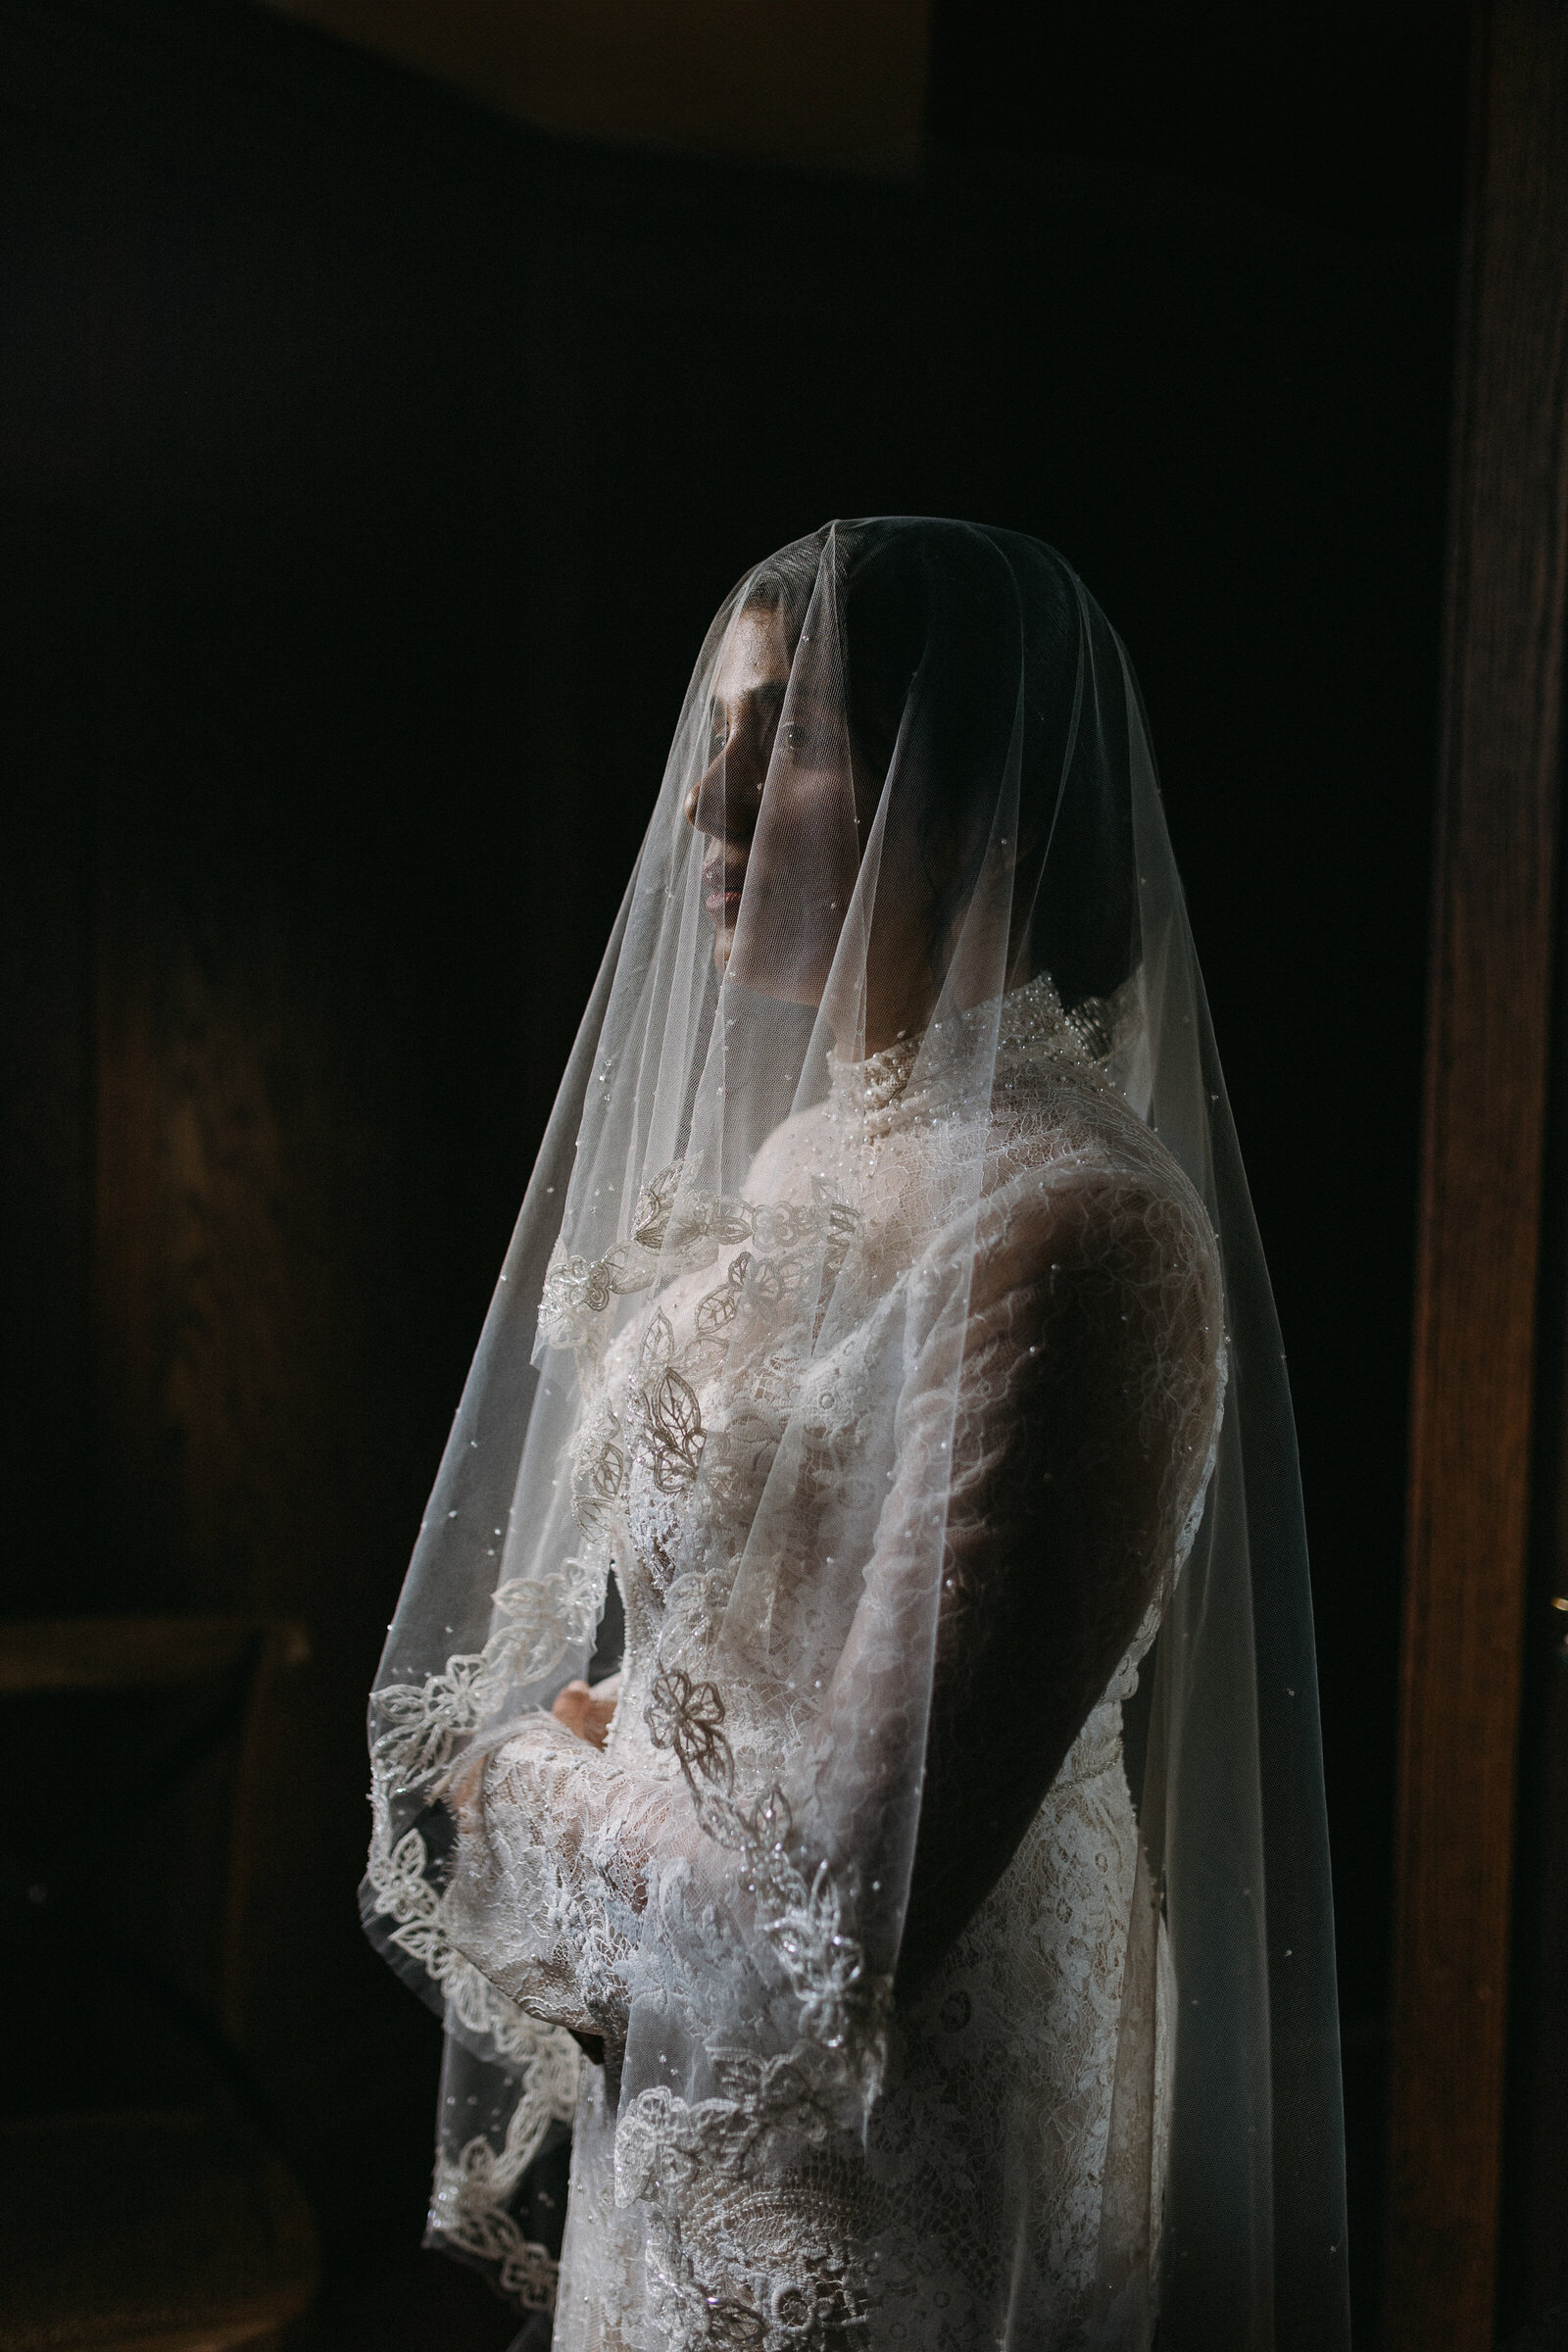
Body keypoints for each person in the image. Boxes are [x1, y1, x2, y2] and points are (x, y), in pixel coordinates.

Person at [364, 520, 1349, 2351]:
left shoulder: (1081, 1227)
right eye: (716, 739)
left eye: (795, 738)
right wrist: (626, 1720)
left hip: (889, 2168)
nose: (712, 800)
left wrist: (529, 1790)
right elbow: (739, 1658)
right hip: (689, 2084)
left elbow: (844, 1906)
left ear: (986, 803)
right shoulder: (814, 1155)